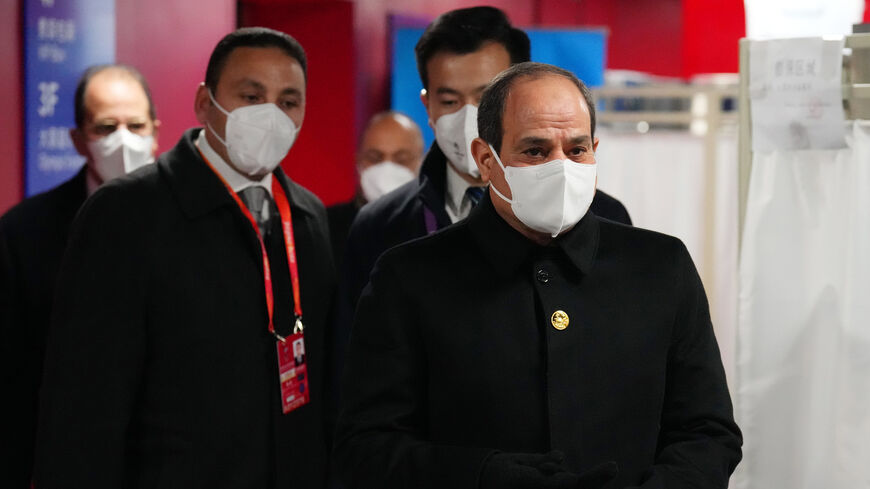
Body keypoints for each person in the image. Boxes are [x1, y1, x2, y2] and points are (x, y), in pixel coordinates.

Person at [334, 62, 742, 488]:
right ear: (486, 160)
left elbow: (708, 433)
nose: (561, 166)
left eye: (577, 149)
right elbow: (365, 448)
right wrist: (482, 475)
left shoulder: (660, 265)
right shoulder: (410, 278)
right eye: (535, 150)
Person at [33, 28, 335, 488]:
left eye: (288, 102)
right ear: (204, 103)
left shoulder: (307, 216)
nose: (270, 115)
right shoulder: (126, 212)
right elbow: (83, 401)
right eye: (251, 96)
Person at [340, 6, 631, 318]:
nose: (470, 117)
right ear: (428, 105)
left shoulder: (602, 216)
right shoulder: (380, 226)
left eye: (487, 98)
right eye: (450, 101)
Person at [0, 63, 159, 488]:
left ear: (156, 131)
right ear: (77, 139)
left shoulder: (199, 222)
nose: (123, 140)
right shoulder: (23, 233)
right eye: (106, 127)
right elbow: (13, 373)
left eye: (135, 125)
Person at [326, 111, 424, 267]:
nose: (387, 167)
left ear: (422, 163)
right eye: (375, 158)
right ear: (358, 161)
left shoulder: (437, 229)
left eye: (402, 159)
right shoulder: (326, 228)